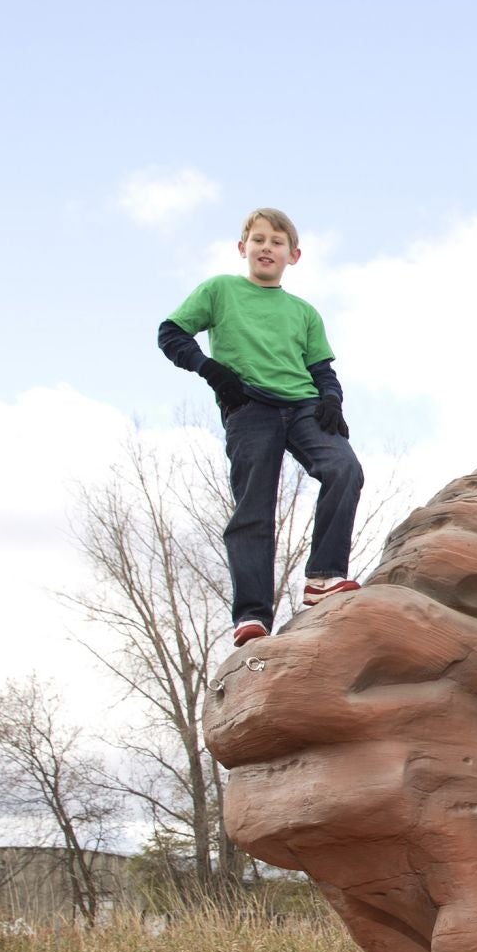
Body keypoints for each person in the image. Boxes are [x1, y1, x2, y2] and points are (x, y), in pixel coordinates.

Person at [157, 207, 366, 648]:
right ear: (242, 248)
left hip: (305, 404)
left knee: (344, 468)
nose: (266, 247)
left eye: (277, 242)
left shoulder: (303, 311)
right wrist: (213, 372)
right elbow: (171, 333)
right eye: (258, 239)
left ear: (294, 255)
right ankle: (252, 615)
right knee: (254, 507)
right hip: (250, 406)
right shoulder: (221, 290)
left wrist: (332, 401)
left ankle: (323, 577)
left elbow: (322, 368)